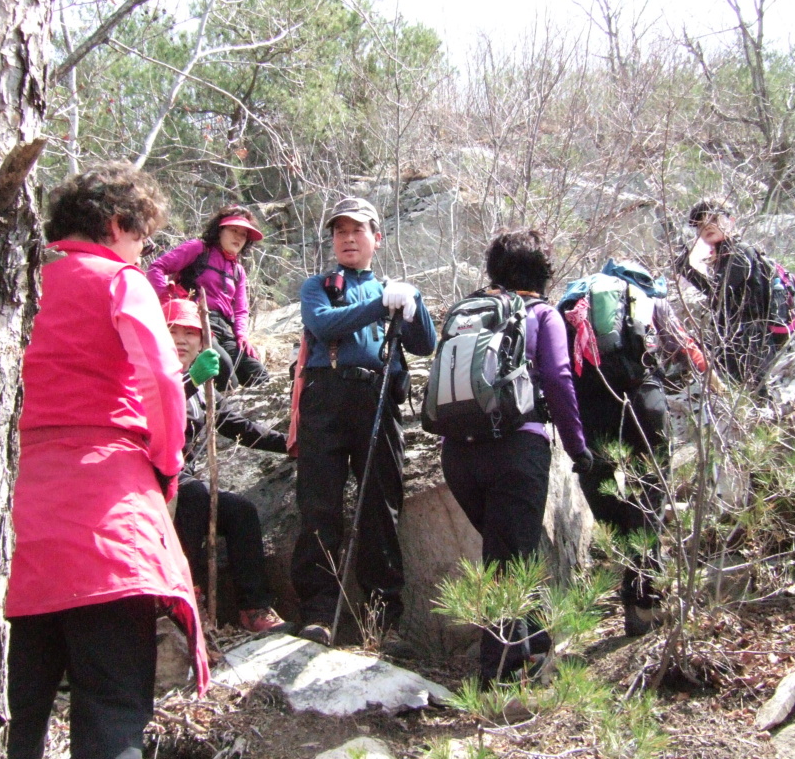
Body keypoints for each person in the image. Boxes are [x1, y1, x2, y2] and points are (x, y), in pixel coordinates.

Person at [6, 162, 208, 759]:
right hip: (107, 520)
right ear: (117, 224)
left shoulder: (13, 281)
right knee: (112, 712)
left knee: (10, 719)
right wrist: (166, 469)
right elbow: (163, 384)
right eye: (141, 236)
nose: (143, 252)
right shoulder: (119, 281)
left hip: (14, 522)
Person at [441, 229, 592, 685]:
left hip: (458, 455)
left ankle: (534, 643)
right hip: (516, 450)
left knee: (506, 553)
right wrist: (578, 447)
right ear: (543, 272)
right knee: (507, 564)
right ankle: (500, 679)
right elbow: (561, 380)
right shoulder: (542, 314)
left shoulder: (467, 311)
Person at [291, 196, 436, 651]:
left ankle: (383, 621)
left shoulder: (393, 287)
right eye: (339, 232)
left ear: (377, 237)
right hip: (326, 396)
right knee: (319, 505)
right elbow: (324, 325)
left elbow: (425, 343)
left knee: (380, 507)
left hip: (378, 398)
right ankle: (319, 614)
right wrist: (381, 306)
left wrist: (413, 302)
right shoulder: (317, 286)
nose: (348, 239)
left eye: (357, 231)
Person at [567, 259, 716, 636]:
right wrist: (716, 383)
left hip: (591, 405)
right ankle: (645, 603)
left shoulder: (574, 298)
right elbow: (686, 350)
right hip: (643, 402)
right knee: (649, 499)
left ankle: (624, 568)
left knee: (604, 493)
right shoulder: (651, 302)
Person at [163, 298, 292, 634]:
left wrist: (291, 444)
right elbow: (154, 412)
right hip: (152, 480)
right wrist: (190, 379)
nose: (180, 339)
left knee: (240, 512)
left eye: (190, 332)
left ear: (204, 341)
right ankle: (187, 604)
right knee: (192, 499)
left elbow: (239, 428)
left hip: (183, 480)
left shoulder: (204, 389)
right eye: (172, 330)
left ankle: (253, 607)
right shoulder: (149, 374)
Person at [147, 204, 268, 389]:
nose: (238, 237)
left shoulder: (238, 270)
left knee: (256, 372)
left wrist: (241, 335)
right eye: (233, 230)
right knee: (224, 369)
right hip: (197, 321)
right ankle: (214, 415)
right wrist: (168, 304)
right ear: (219, 230)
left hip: (225, 328)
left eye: (243, 234)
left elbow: (241, 309)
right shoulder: (198, 249)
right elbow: (157, 267)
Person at [675, 199, 779, 388]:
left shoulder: (740, 252)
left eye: (714, 218)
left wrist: (685, 268)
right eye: (700, 224)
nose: (707, 226)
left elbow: (719, 292)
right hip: (733, 337)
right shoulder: (723, 257)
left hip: (751, 339)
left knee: (752, 394)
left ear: (730, 220)